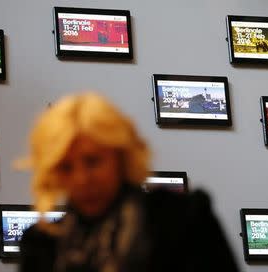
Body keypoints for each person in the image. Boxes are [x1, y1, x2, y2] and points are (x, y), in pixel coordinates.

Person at [18, 92, 239, 272]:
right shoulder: (41, 245)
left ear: (121, 157)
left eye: (93, 161)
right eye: (66, 167)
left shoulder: (184, 220)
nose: (81, 179)